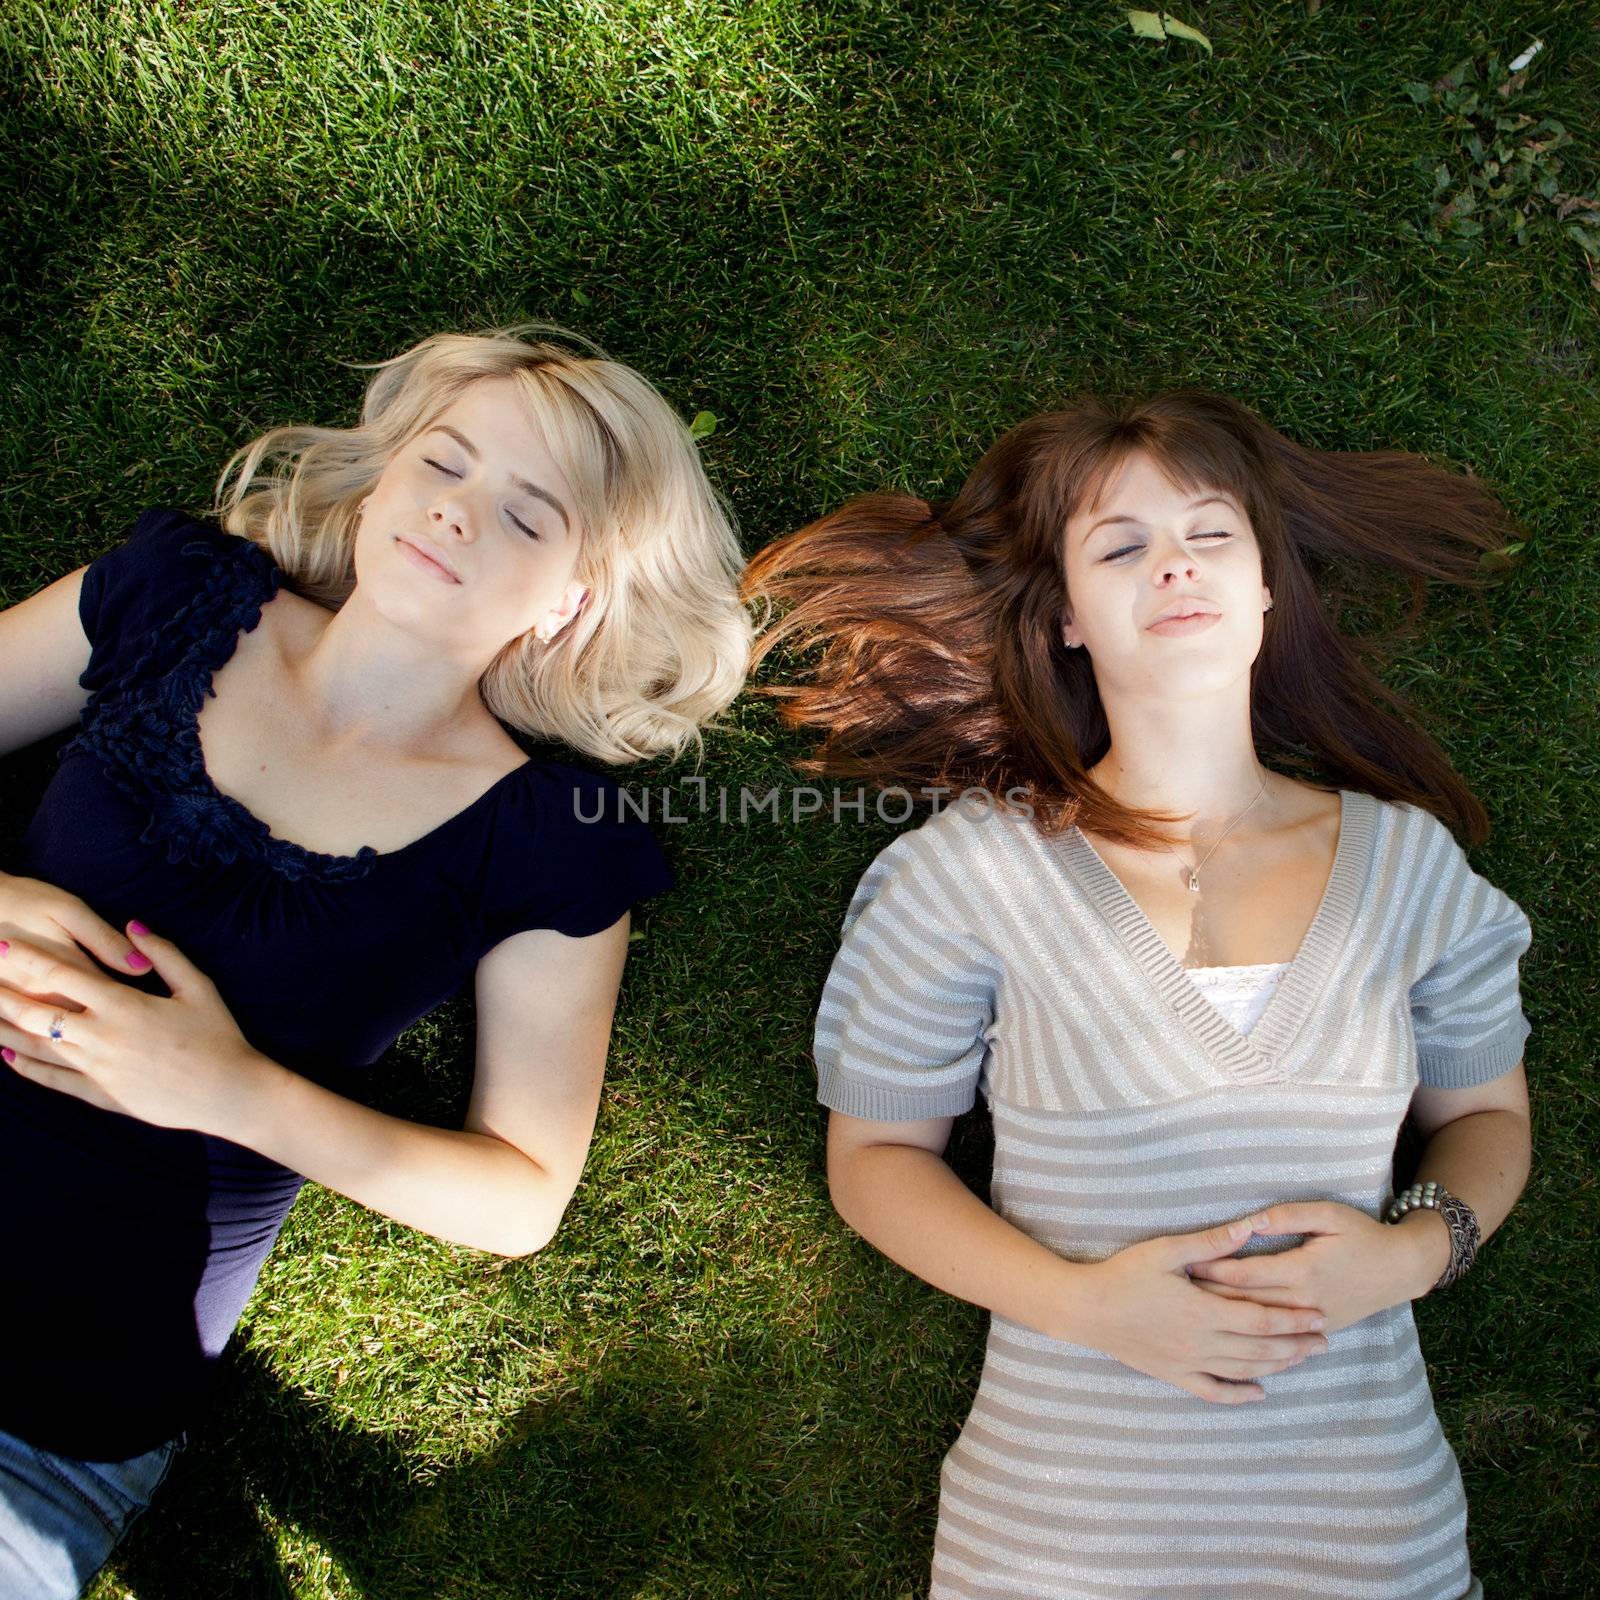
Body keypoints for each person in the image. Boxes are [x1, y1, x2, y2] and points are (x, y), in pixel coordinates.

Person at [0, 327, 751, 1598]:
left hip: (50, 1415)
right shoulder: (169, 594)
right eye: (445, 464)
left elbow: (519, 1199)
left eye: (526, 516)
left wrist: (231, 1090)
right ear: (386, 474)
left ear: (569, 599)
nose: (458, 516)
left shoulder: (546, 842)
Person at [744, 390, 1532, 1600]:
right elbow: (877, 1160)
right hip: (1058, 1540)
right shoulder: (965, 875)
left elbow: (1488, 1121)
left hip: (1366, 1530)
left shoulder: (1409, 865)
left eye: (1209, 534)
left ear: (1265, 586)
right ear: (1067, 616)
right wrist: (1088, 1307)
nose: (1173, 564)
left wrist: (1410, 1256)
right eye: (1120, 545)